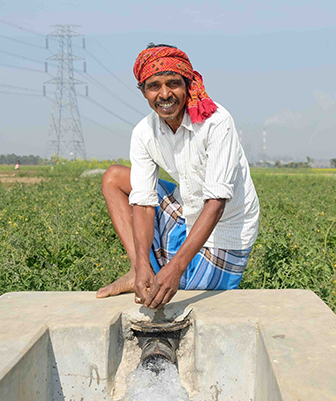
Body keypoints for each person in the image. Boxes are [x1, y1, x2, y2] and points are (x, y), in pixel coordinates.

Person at [96, 43, 259, 309]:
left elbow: (217, 203)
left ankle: (165, 268)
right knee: (114, 178)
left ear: (187, 84)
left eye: (173, 83)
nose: (164, 94)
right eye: (153, 86)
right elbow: (144, 202)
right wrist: (141, 264)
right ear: (143, 92)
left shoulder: (216, 122)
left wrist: (175, 269)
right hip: (187, 208)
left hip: (227, 228)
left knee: (182, 294)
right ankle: (137, 270)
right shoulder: (144, 133)